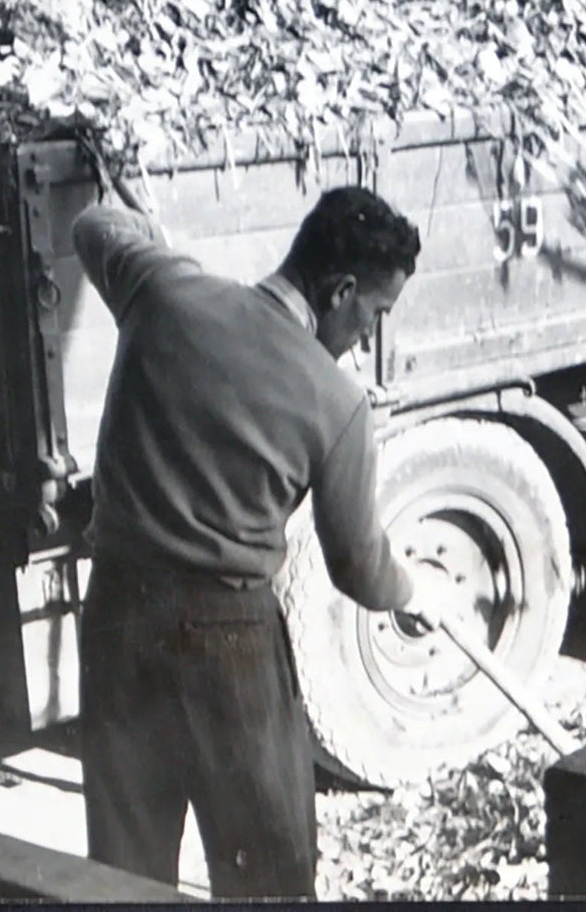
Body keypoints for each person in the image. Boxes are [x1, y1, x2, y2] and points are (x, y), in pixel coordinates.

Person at [72, 185, 453, 895]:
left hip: (117, 619)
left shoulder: (161, 288)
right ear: (340, 291)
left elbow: (93, 223)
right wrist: (413, 587)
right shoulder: (335, 403)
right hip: (228, 647)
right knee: (268, 876)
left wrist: (148, 235)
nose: (369, 336)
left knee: (124, 869)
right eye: (376, 313)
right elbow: (357, 567)